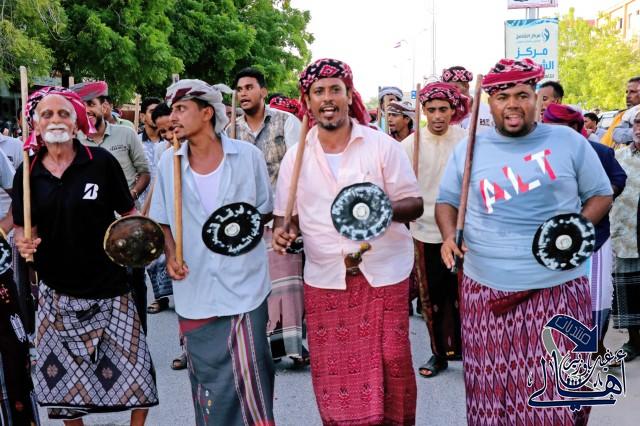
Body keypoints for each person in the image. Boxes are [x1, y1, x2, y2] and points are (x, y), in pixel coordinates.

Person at [436, 58, 612, 425]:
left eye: (522, 95)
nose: (512, 104)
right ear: (490, 103)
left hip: (558, 289)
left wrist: (573, 230)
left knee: (559, 399)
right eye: (502, 97)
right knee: (491, 397)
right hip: (486, 292)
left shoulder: (567, 142)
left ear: (536, 99)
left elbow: (600, 194)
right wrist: (449, 235)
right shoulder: (470, 149)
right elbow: (446, 202)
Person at [272, 58, 423, 425]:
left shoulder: (380, 146)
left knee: (393, 359)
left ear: (348, 95)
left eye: (335, 90)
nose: (327, 98)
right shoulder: (296, 157)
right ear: (307, 101)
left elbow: (414, 204)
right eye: (318, 91)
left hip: (384, 271)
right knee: (334, 373)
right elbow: (285, 218)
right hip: (326, 277)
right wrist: (284, 231)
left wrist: (377, 209)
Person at [13, 86, 158, 425]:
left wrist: (141, 240)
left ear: (77, 122)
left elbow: (128, 215)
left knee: (138, 375)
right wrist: (24, 242)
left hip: (110, 286)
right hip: (56, 291)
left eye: (63, 113)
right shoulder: (28, 172)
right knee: (64, 389)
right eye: (47, 114)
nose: (55, 119)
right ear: (36, 125)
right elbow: (22, 227)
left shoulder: (101, 162)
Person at [149, 79, 275, 425]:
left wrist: (239, 227)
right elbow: (162, 221)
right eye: (172, 110)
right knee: (208, 386)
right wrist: (171, 255)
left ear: (207, 113)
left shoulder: (247, 157)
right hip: (196, 289)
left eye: (181, 109)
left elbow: (264, 211)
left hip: (246, 286)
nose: (173, 117)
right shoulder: (168, 162)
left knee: (253, 379)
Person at [231, 68, 308, 365]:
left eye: (249, 87)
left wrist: (293, 217)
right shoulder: (230, 130)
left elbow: (299, 167)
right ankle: (259, 345)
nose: (244, 93)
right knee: (253, 283)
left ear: (263, 91)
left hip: (281, 215)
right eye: (240, 89)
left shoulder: (286, 122)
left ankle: (291, 346)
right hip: (244, 220)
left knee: (286, 283)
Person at [543, 103, 627, 356]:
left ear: (574, 127)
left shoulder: (599, 152)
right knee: (555, 299)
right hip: (550, 241)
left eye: (561, 129)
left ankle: (594, 349)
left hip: (594, 239)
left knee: (597, 297)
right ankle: (560, 352)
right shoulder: (537, 158)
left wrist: (598, 197)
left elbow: (618, 180)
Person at [70, 81, 151, 331]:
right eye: (82, 106)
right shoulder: (73, 142)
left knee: (134, 280)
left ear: (104, 106)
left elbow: (144, 172)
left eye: (92, 104)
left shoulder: (126, 134)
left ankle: (139, 336)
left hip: (126, 221)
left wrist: (130, 194)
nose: (88, 110)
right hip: (90, 227)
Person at [400, 82, 468, 378]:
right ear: (423, 111)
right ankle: (438, 353)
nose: (438, 115)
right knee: (432, 298)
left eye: (443, 109)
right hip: (424, 230)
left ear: (453, 110)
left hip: (462, 230)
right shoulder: (409, 146)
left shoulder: (467, 141)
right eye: (431, 110)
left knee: (465, 295)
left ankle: (473, 353)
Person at [610, 109, 640, 362]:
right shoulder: (618, 157)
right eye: (638, 122)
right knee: (627, 295)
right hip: (625, 236)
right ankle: (634, 342)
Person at [441, 65, 494, 133]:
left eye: (454, 88)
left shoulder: (489, 112)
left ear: (466, 86)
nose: (450, 93)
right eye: (447, 90)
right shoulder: (446, 115)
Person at [601, 76, 640, 147]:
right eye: (627, 92)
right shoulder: (623, 115)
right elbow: (616, 134)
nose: (628, 96)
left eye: (633, 92)